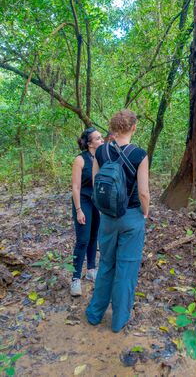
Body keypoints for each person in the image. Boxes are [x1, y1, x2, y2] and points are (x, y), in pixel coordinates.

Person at [86, 109, 150, 332]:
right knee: (127, 267)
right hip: (131, 216)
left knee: (106, 264)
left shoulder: (101, 151)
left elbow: (96, 183)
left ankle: (94, 314)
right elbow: (143, 193)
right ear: (133, 127)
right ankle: (119, 319)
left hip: (108, 217)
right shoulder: (140, 155)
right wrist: (145, 212)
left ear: (113, 128)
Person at [70, 127, 104, 296]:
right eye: (98, 138)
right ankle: (75, 278)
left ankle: (91, 270)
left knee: (93, 237)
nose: (102, 140)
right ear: (90, 143)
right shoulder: (80, 160)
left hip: (96, 202)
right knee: (82, 239)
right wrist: (78, 210)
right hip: (82, 201)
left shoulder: (100, 157)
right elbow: (75, 188)